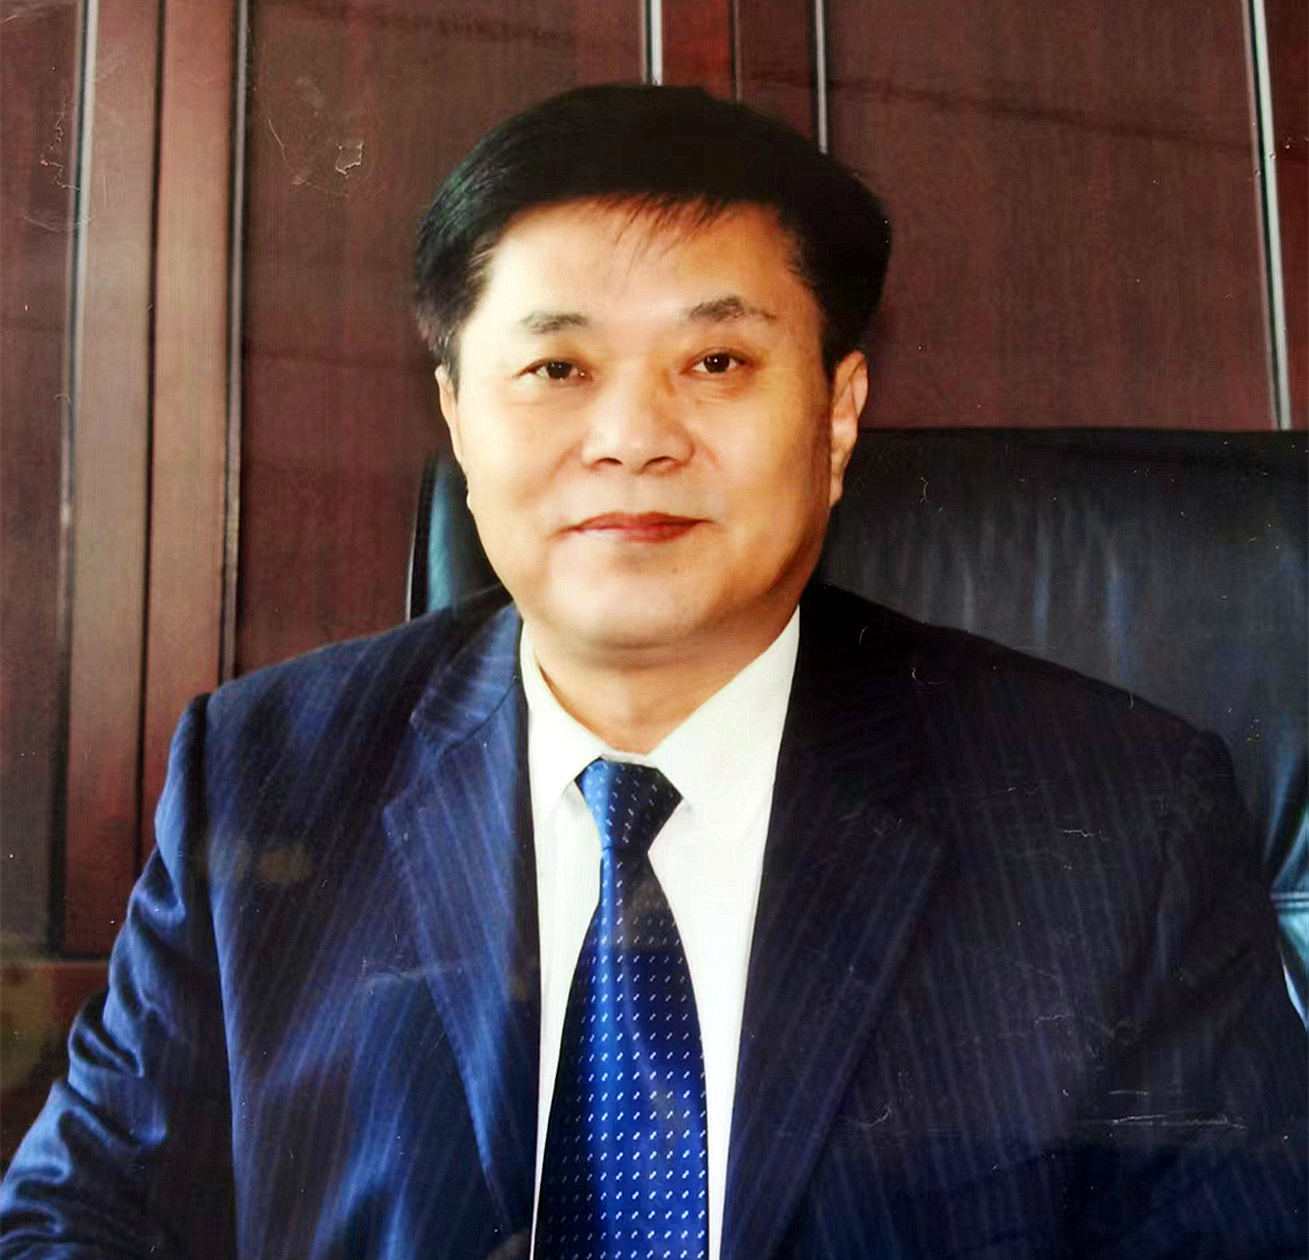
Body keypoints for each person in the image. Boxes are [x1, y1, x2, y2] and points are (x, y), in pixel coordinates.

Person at [2, 84, 1304, 1260]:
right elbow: (76, 1220)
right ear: (457, 413)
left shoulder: (1114, 817)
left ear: (837, 414)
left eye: (716, 363)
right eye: (556, 369)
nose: (631, 438)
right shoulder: (267, 772)